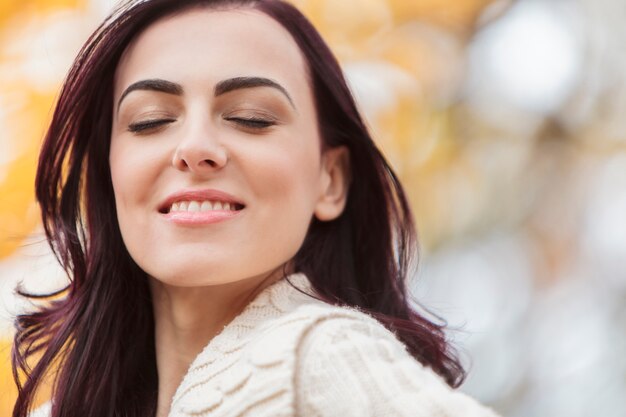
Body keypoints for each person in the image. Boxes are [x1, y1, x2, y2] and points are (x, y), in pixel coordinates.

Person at [12, 1, 500, 416]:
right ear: (110, 175)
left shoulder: (322, 357)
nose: (195, 146)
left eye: (251, 118)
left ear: (330, 181)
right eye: (150, 121)